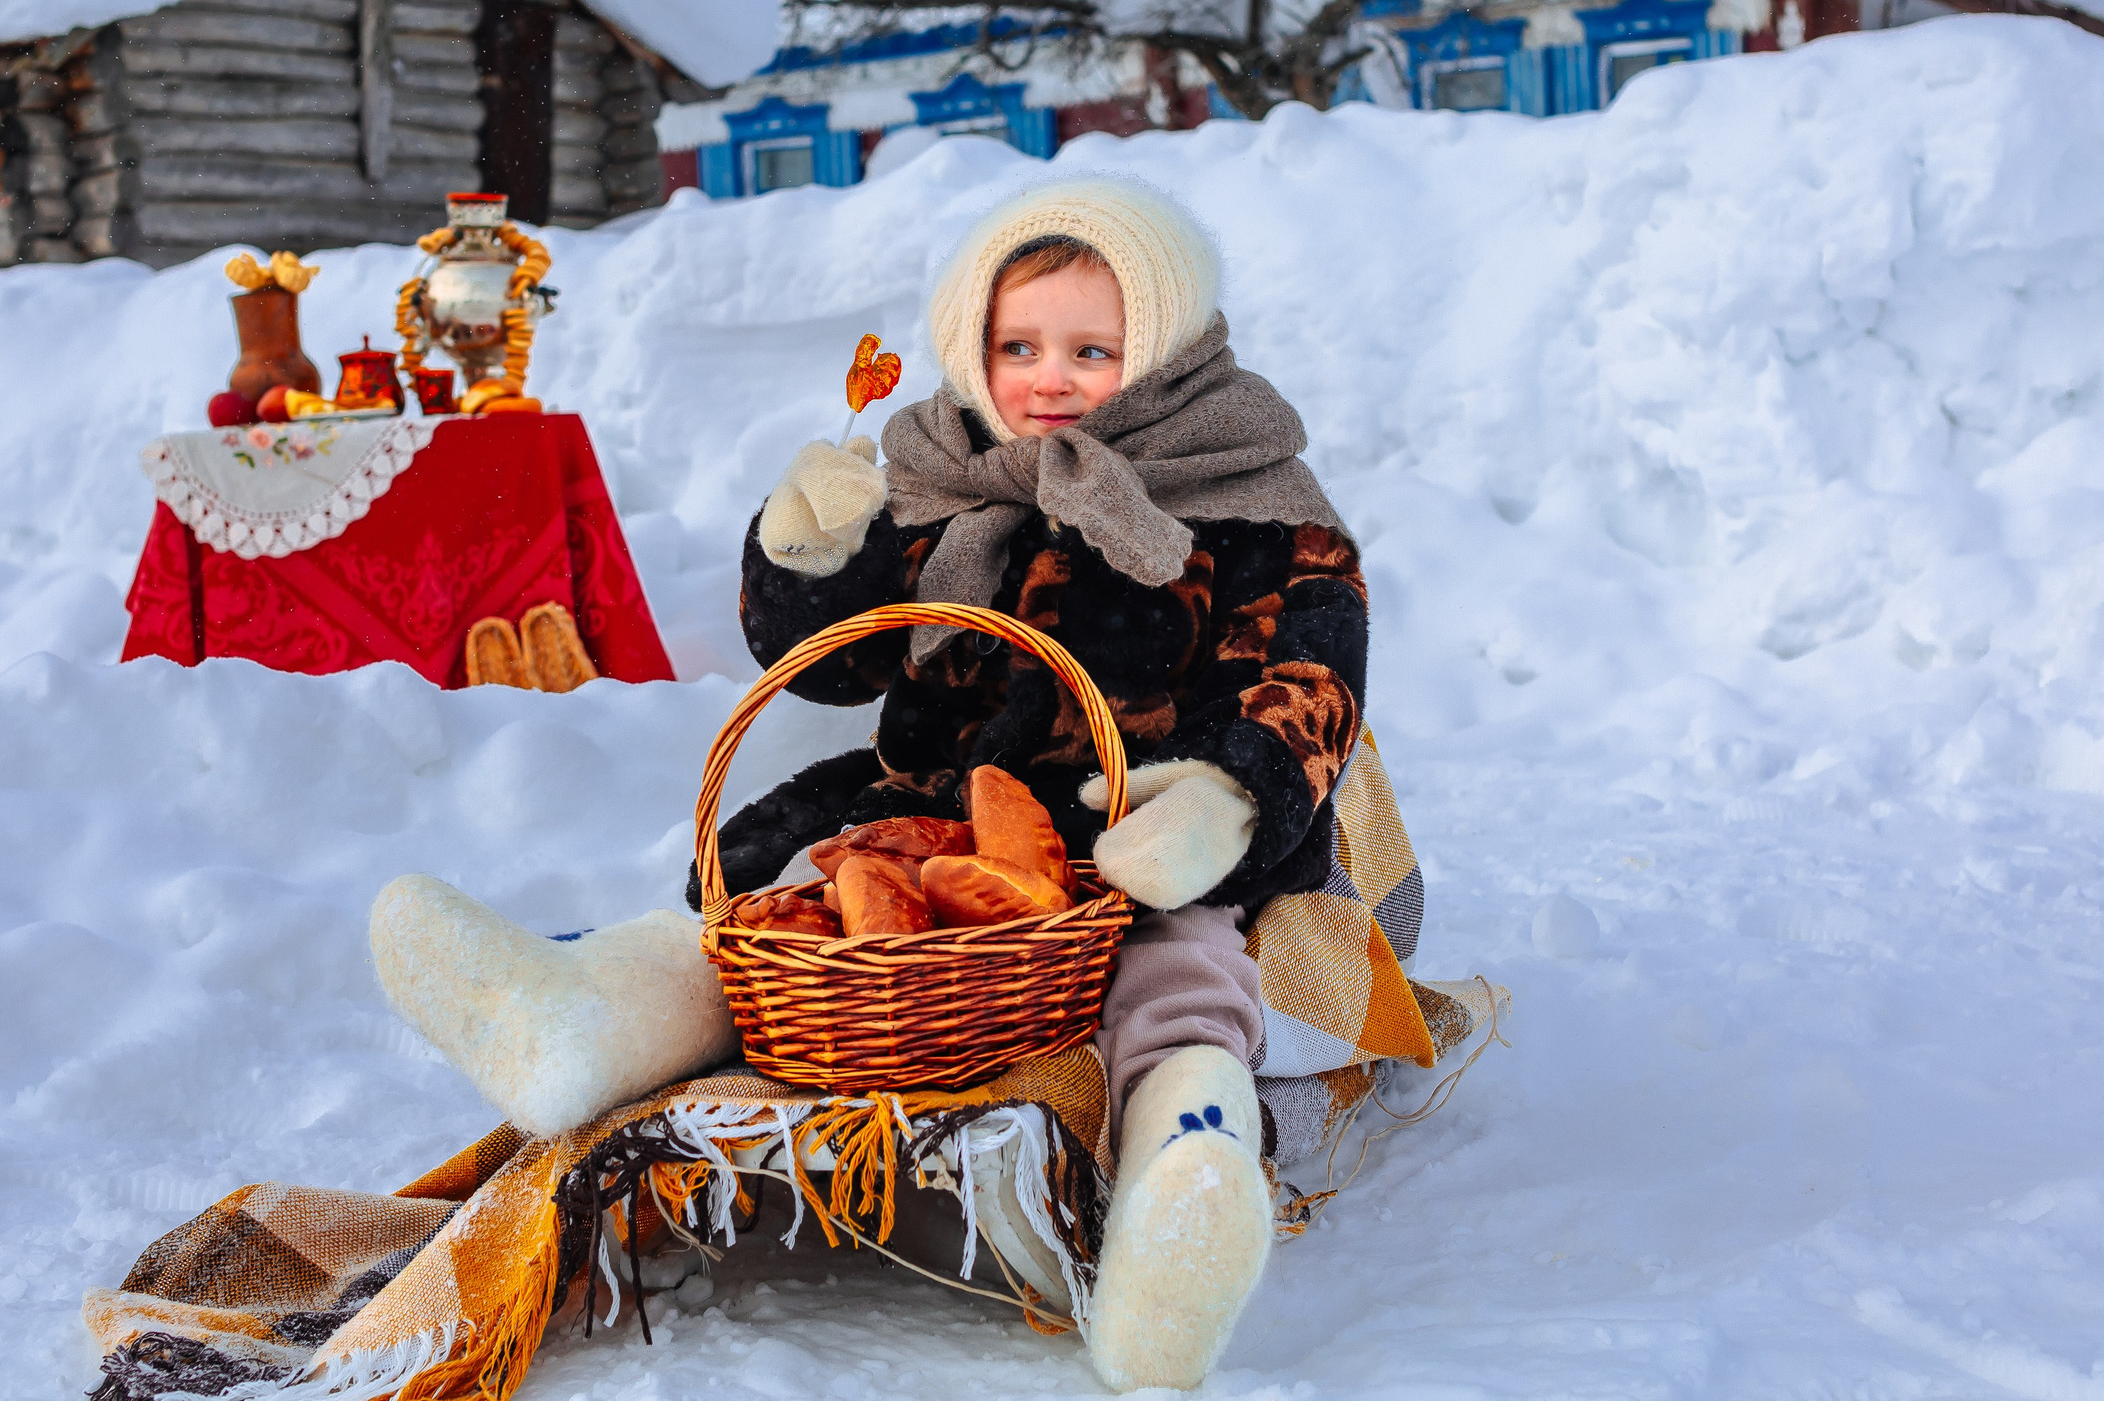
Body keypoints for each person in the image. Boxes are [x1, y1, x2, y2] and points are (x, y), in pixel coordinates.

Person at [369, 176, 1367, 1391]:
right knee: (775, 917)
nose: (1046, 377)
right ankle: (582, 1025)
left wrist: (1226, 795)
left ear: (1166, 351)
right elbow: (833, 667)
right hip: (933, 811)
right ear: (968, 347)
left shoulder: (1243, 485)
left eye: (1092, 349)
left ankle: (1181, 1185)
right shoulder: (940, 471)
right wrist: (812, 550)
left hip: (1136, 825)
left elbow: (1312, 667)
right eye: (1016, 346)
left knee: (1175, 972)